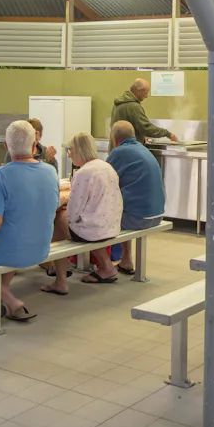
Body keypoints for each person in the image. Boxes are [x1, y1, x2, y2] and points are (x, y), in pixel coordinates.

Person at [0, 120, 58, 322]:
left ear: (6, 147)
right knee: (13, 235)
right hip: (41, 250)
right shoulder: (51, 172)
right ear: (35, 146)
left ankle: (2, 299)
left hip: (12, 251)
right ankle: (2, 294)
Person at [42, 133, 122, 294]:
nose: (69, 154)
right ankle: (107, 267)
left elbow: (73, 212)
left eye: (70, 150)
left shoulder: (83, 173)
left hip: (93, 230)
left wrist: (63, 204)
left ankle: (60, 280)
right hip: (112, 225)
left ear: (79, 150)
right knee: (77, 220)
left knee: (59, 219)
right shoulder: (106, 166)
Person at [106, 120, 164, 274]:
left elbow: (102, 179)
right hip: (157, 214)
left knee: (97, 218)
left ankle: (104, 266)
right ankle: (126, 260)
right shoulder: (143, 149)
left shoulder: (119, 152)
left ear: (115, 140)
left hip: (139, 218)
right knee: (122, 208)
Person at [111, 78, 175, 143]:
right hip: (127, 150)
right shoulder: (134, 106)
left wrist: (141, 137)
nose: (146, 96)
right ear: (139, 91)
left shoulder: (119, 102)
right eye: (146, 92)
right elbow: (146, 128)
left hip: (116, 148)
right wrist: (167, 133)